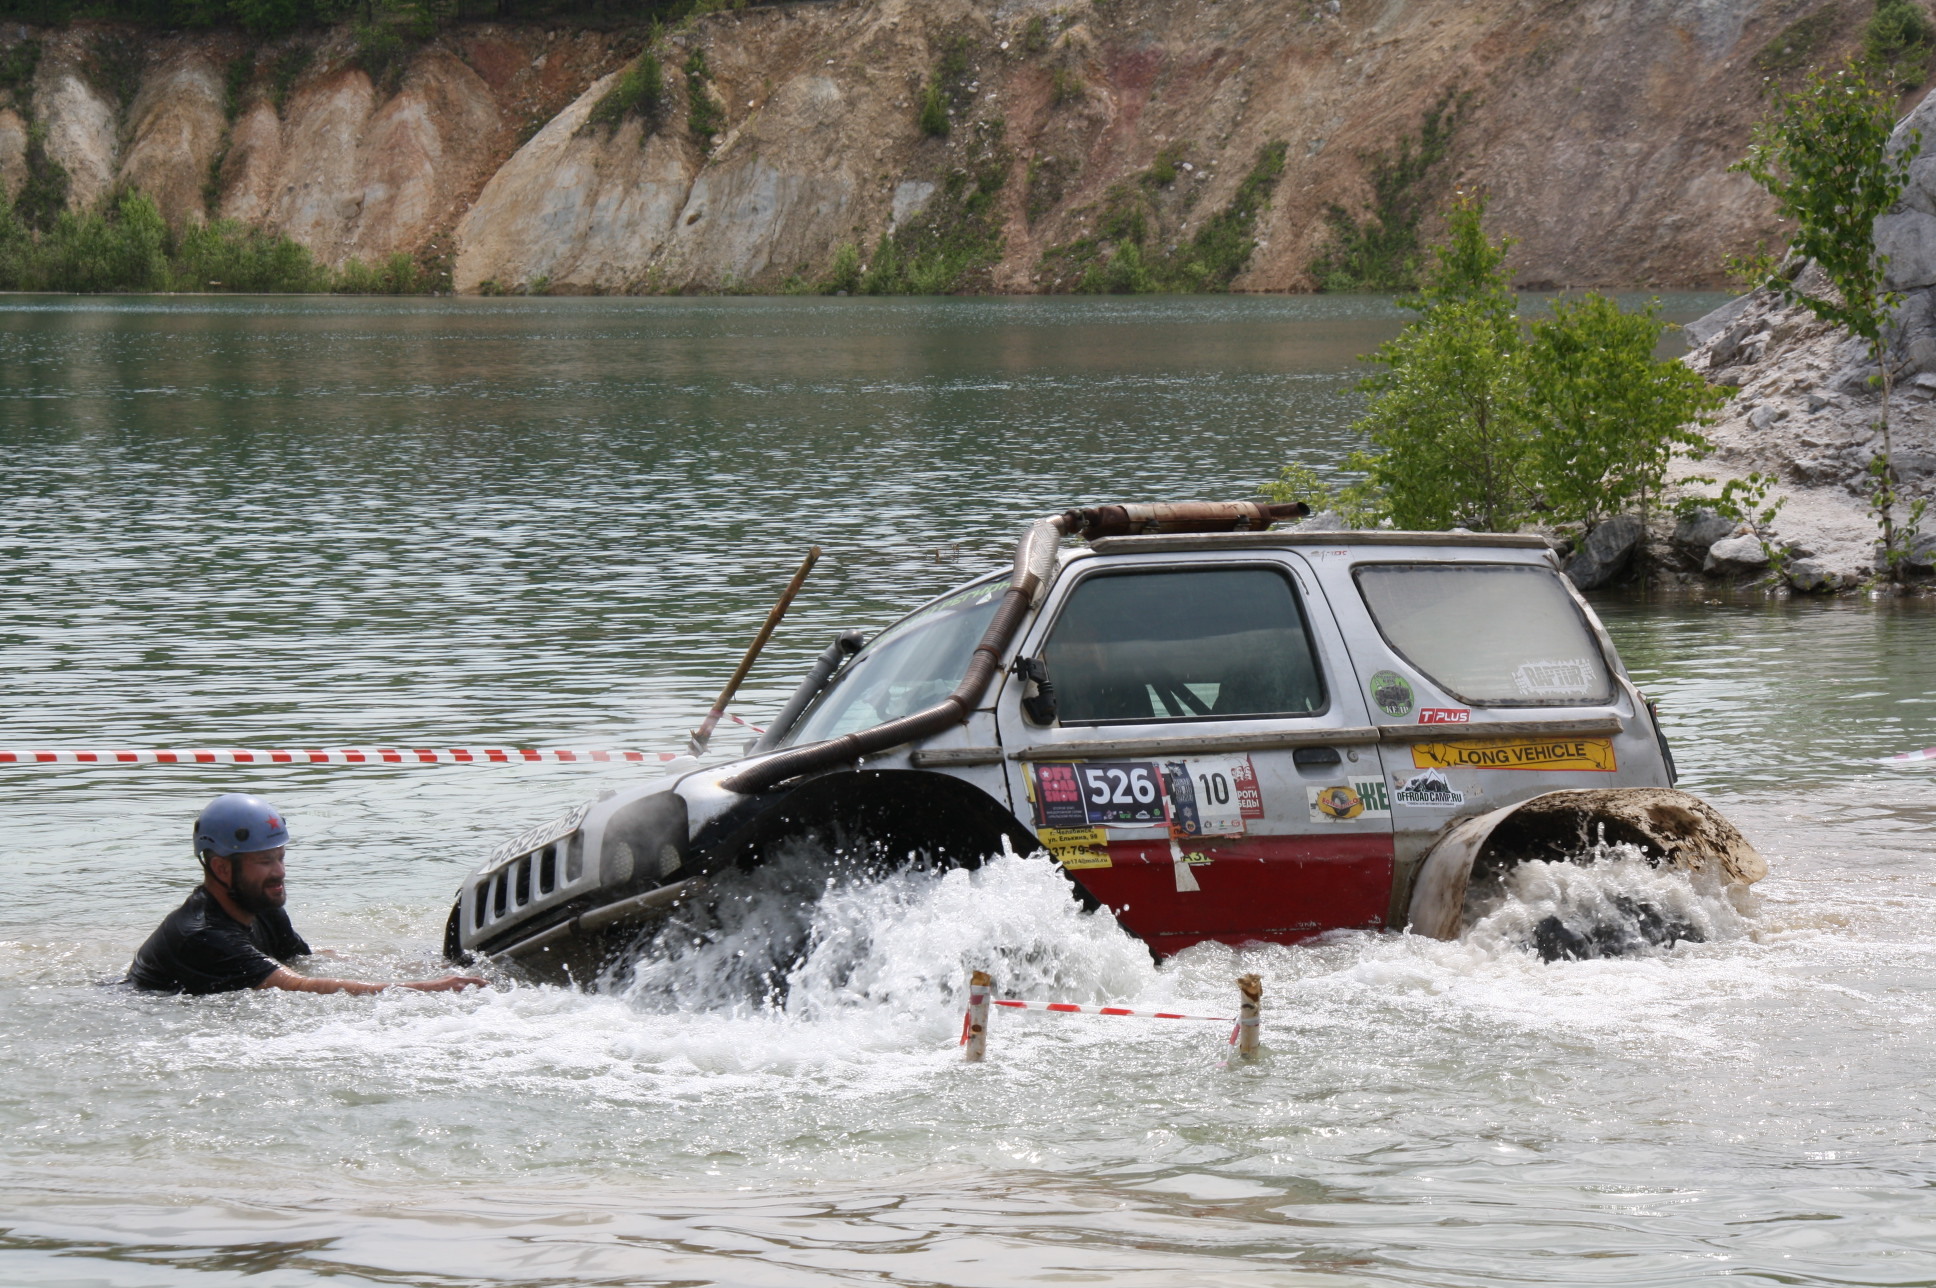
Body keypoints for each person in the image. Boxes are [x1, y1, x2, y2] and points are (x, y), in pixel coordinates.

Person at [128, 792, 486, 996]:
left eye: (281, 858)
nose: (279, 873)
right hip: (138, 1008)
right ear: (222, 869)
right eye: (265, 861)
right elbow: (299, 985)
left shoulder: (262, 905)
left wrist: (422, 965)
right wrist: (426, 988)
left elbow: (306, 961)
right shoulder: (203, 935)